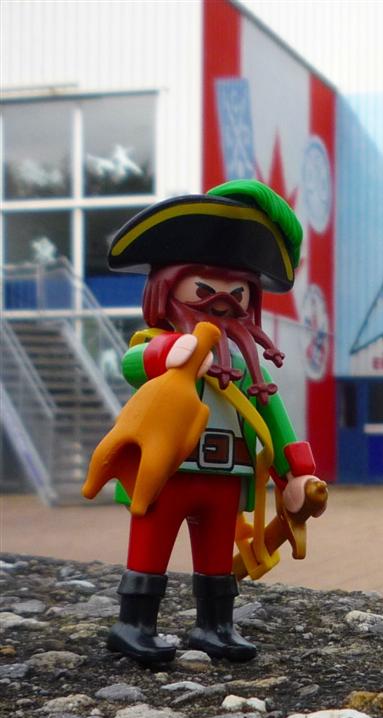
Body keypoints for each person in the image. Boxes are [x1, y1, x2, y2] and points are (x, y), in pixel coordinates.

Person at [102, 179, 322, 664]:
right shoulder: (159, 344)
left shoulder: (249, 367)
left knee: (217, 554)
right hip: (166, 469)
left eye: (237, 290)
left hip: (229, 474)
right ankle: (134, 623)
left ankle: (215, 625)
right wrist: (171, 352)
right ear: (167, 286)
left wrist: (296, 474)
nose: (223, 299)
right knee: (151, 545)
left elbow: (274, 418)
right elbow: (133, 364)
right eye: (204, 288)